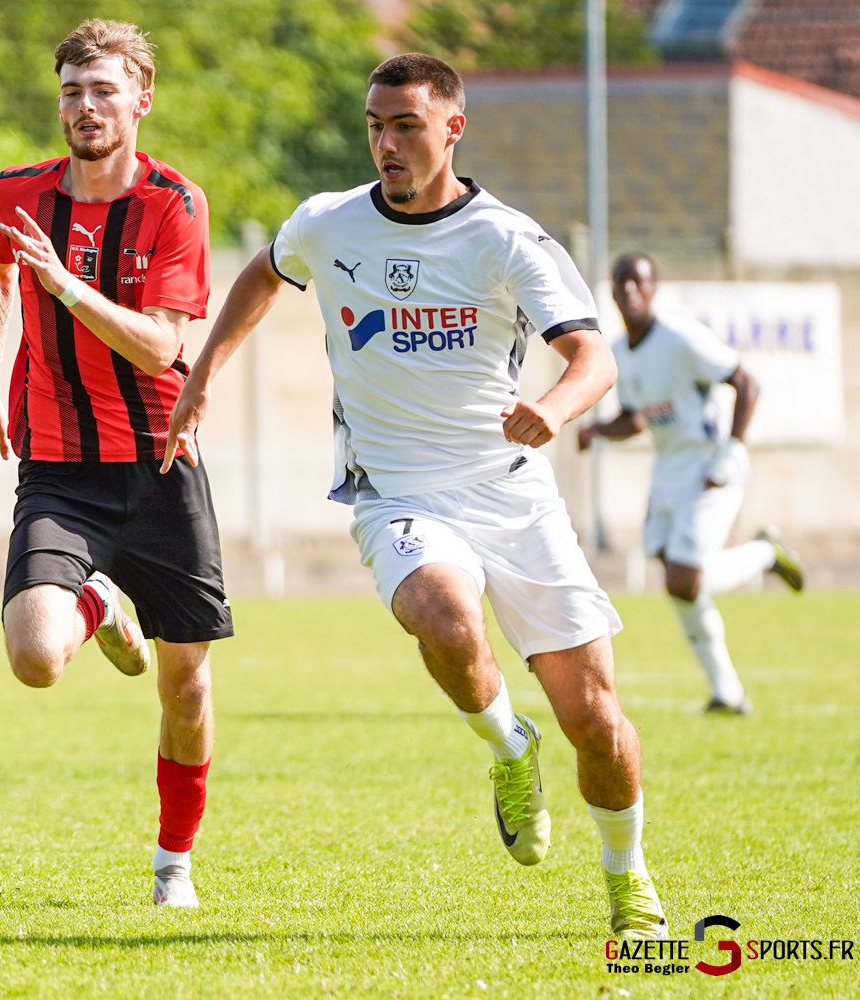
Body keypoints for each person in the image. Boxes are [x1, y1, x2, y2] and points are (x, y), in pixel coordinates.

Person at [164, 53, 668, 938]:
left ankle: (629, 881)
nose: (386, 143)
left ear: (453, 129)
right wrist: (204, 372)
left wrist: (550, 408)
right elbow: (266, 271)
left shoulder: (507, 239)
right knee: (441, 614)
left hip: (512, 493)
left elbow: (593, 357)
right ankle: (509, 746)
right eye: (374, 125)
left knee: (595, 721)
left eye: (405, 126)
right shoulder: (329, 223)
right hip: (397, 491)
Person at [0, 19, 231, 908]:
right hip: (60, 464)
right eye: (73, 92)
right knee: (36, 657)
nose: (86, 107)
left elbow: (162, 346)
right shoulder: (17, 193)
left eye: (104, 91)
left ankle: (173, 867)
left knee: (186, 681)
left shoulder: (174, 204)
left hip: (161, 461)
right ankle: (91, 603)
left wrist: (70, 286)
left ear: (141, 100)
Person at [579, 253, 804, 714]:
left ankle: (766, 552)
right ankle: (727, 693)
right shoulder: (619, 354)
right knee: (674, 578)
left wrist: (733, 448)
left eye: (638, 282)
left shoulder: (681, 339)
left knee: (685, 579)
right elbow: (636, 420)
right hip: (667, 471)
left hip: (708, 467)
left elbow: (746, 383)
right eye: (621, 284)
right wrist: (598, 430)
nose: (629, 291)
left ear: (654, 288)